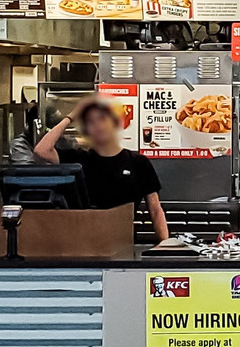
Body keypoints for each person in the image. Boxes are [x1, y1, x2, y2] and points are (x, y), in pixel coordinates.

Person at [34, 95, 169, 242]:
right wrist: (70, 117)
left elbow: (155, 210)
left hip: (123, 242)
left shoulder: (138, 162)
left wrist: (165, 243)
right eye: (92, 123)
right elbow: (42, 150)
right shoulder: (80, 160)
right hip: (84, 242)